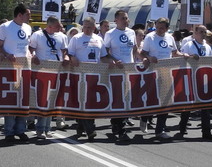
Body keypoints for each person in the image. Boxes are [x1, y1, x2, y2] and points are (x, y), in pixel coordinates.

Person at [0, 4, 32, 143]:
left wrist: (29, 55)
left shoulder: (28, 28)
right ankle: (9, 131)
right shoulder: (5, 27)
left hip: (24, 68)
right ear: (19, 15)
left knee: (23, 99)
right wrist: (7, 54)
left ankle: (21, 130)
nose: (30, 17)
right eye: (28, 14)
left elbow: (27, 47)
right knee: (10, 100)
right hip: (9, 68)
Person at [140, 17, 181, 141]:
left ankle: (160, 130)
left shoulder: (170, 38)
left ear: (167, 28)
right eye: (157, 27)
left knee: (165, 102)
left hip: (166, 73)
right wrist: (149, 57)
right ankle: (144, 117)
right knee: (152, 100)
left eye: (162, 28)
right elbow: (142, 53)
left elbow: (175, 53)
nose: (159, 30)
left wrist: (184, 55)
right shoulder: (150, 37)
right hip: (152, 73)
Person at [28, 16, 69, 139]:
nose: (60, 27)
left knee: (52, 100)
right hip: (41, 71)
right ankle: (41, 129)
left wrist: (66, 57)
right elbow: (31, 49)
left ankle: (47, 128)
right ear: (50, 26)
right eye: (57, 26)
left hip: (56, 71)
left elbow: (64, 51)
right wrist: (33, 55)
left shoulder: (62, 36)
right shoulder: (38, 35)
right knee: (42, 100)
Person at [102, 10, 139, 143]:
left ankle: (119, 125)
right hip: (116, 71)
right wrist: (113, 60)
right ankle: (118, 125)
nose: (126, 20)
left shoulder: (131, 32)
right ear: (116, 20)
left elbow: (135, 48)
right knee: (118, 99)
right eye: (123, 18)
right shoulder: (110, 34)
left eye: (127, 18)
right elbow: (105, 52)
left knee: (126, 99)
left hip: (128, 70)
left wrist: (139, 59)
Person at [67, 17, 106, 140]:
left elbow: (104, 56)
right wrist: (72, 58)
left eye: (89, 27)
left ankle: (80, 127)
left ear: (94, 28)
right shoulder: (76, 39)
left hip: (95, 76)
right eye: (85, 27)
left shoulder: (99, 39)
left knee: (91, 103)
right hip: (80, 76)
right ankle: (90, 130)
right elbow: (69, 53)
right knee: (84, 102)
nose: (87, 29)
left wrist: (113, 62)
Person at [179, 24, 212, 140]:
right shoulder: (189, 45)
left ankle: (206, 131)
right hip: (191, 77)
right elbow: (181, 59)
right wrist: (190, 57)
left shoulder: (208, 47)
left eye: (204, 32)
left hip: (203, 79)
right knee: (189, 105)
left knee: (205, 106)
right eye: (201, 32)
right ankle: (183, 125)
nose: (203, 34)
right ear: (195, 33)